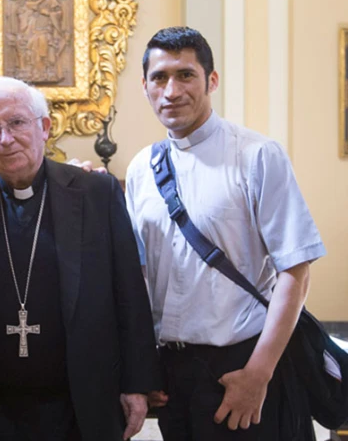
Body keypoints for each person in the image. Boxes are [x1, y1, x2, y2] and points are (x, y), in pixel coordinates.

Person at [125, 27, 326, 440]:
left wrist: (258, 373)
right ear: (144, 86)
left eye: (186, 75)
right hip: (173, 372)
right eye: (159, 78)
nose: (171, 91)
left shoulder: (256, 155)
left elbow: (295, 270)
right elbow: (140, 277)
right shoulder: (141, 169)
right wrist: (147, 367)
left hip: (243, 363)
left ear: (211, 80)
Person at [0, 76, 161, 441]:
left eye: (17, 122)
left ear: (44, 127)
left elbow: (130, 293)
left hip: (84, 404)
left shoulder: (97, 193)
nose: (6, 139)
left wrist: (137, 384)